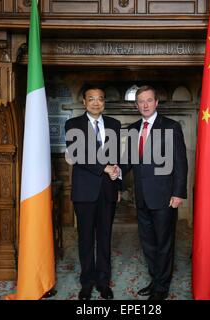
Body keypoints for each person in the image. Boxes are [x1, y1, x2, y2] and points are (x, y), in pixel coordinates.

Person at [120, 85, 188, 300]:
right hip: (141, 197)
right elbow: (128, 162)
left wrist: (178, 193)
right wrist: (114, 173)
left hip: (165, 197)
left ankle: (161, 288)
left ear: (156, 103)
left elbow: (180, 163)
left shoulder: (171, 126)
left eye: (149, 100)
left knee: (164, 243)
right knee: (148, 243)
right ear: (137, 105)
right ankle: (155, 279)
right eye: (141, 101)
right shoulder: (132, 129)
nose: (145, 104)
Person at [64, 85, 121, 300]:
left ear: (104, 102)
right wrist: (104, 168)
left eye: (100, 99)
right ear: (84, 102)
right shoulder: (73, 124)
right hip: (84, 192)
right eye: (91, 99)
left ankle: (103, 282)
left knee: (105, 239)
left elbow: (117, 155)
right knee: (86, 239)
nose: (96, 102)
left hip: (108, 191)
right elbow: (78, 153)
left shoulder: (115, 125)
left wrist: (117, 178)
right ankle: (87, 282)